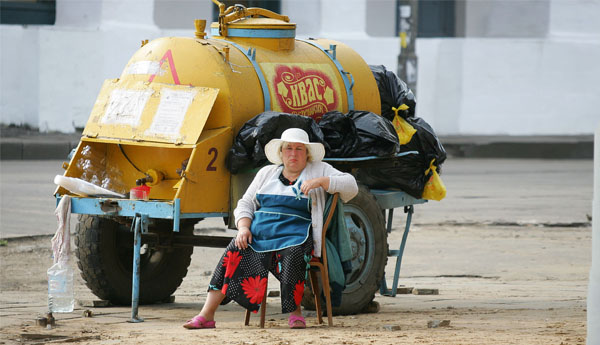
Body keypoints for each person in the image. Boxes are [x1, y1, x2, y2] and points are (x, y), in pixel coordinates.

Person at [183, 128, 358, 329]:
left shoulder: (319, 169)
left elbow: (351, 185)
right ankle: (207, 315)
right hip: (259, 234)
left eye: (299, 149)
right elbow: (246, 203)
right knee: (235, 249)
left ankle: (296, 313)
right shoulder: (267, 173)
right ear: (281, 153)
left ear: (307, 153)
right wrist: (243, 228)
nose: (293, 153)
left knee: (293, 253)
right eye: (288, 148)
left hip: (296, 235)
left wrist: (322, 182)